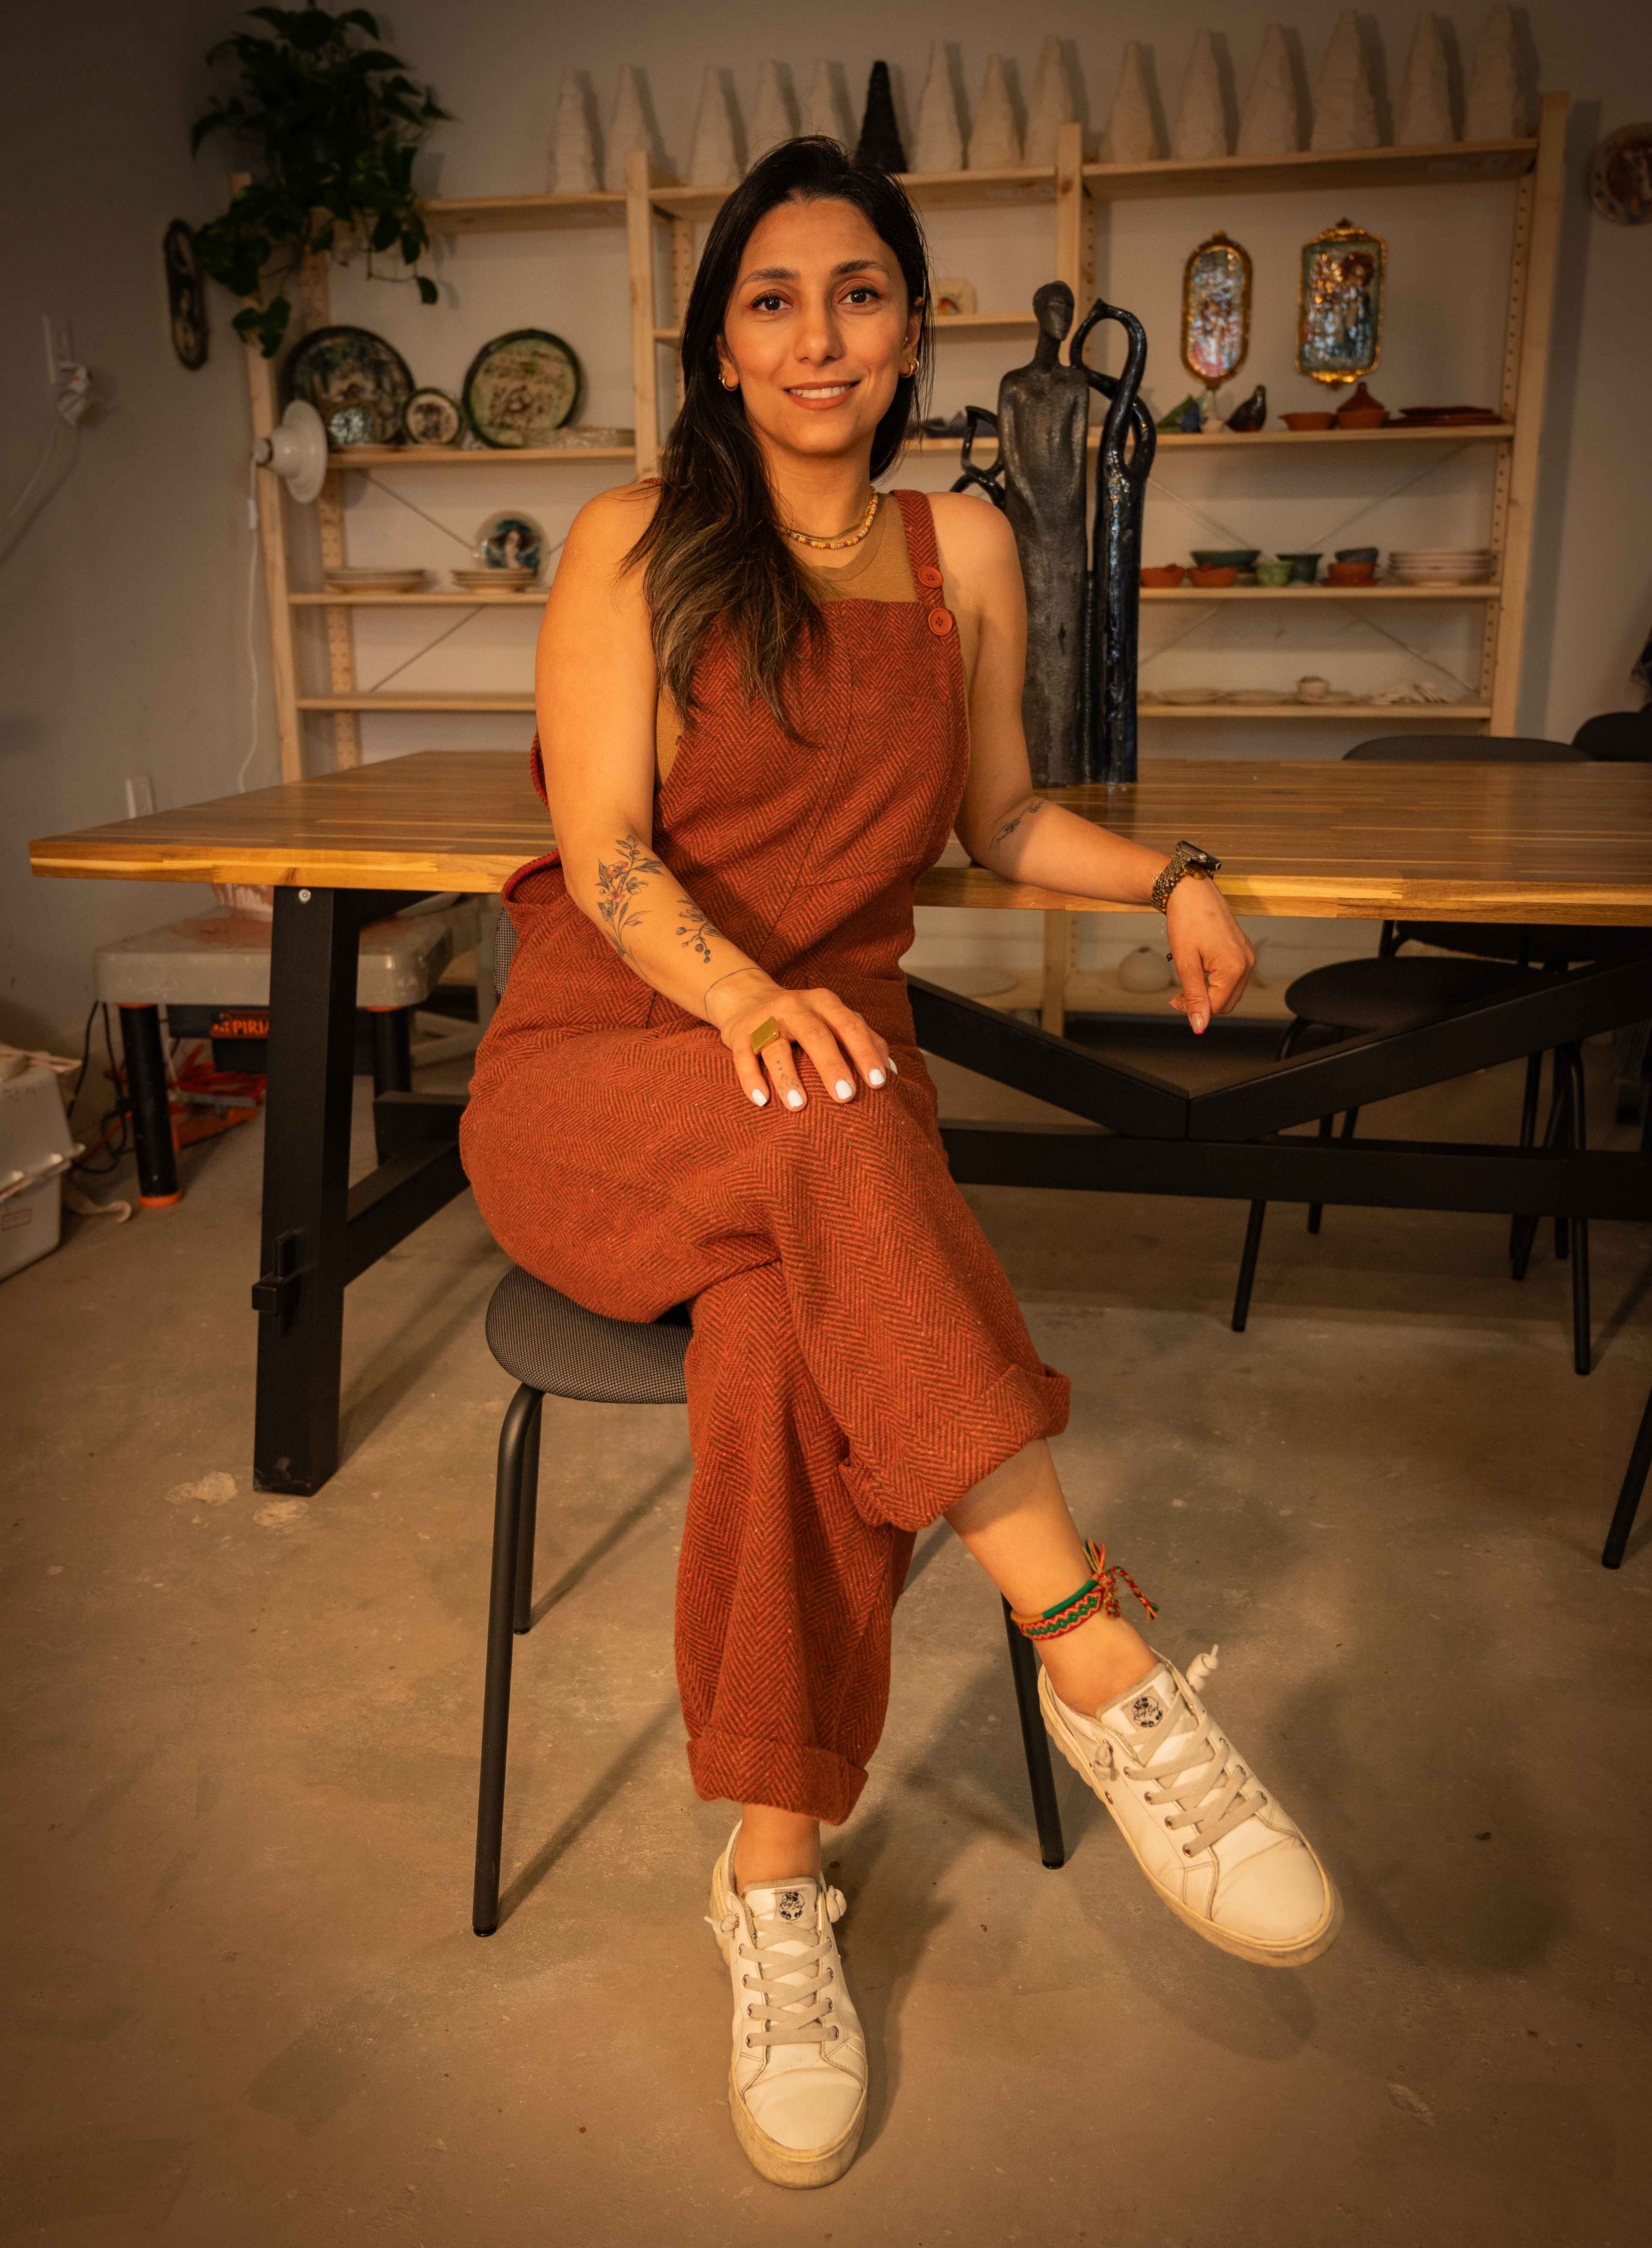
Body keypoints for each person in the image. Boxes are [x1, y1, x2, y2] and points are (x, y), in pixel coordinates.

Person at [461, 136, 1339, 2194]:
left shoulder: (960, 555)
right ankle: (1095, 1644)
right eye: (769, 298)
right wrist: (743, 1001)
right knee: (843, 1110)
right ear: (717, 343)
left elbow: (1001, 819)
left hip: (815, 1116)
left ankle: (771, 1876)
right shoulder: (631, 536)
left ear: (910, 319)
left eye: (855, 291)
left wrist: (1175, 877)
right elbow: (600, 854)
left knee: (790, 1336)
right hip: (606, 1066)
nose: (815, 334)